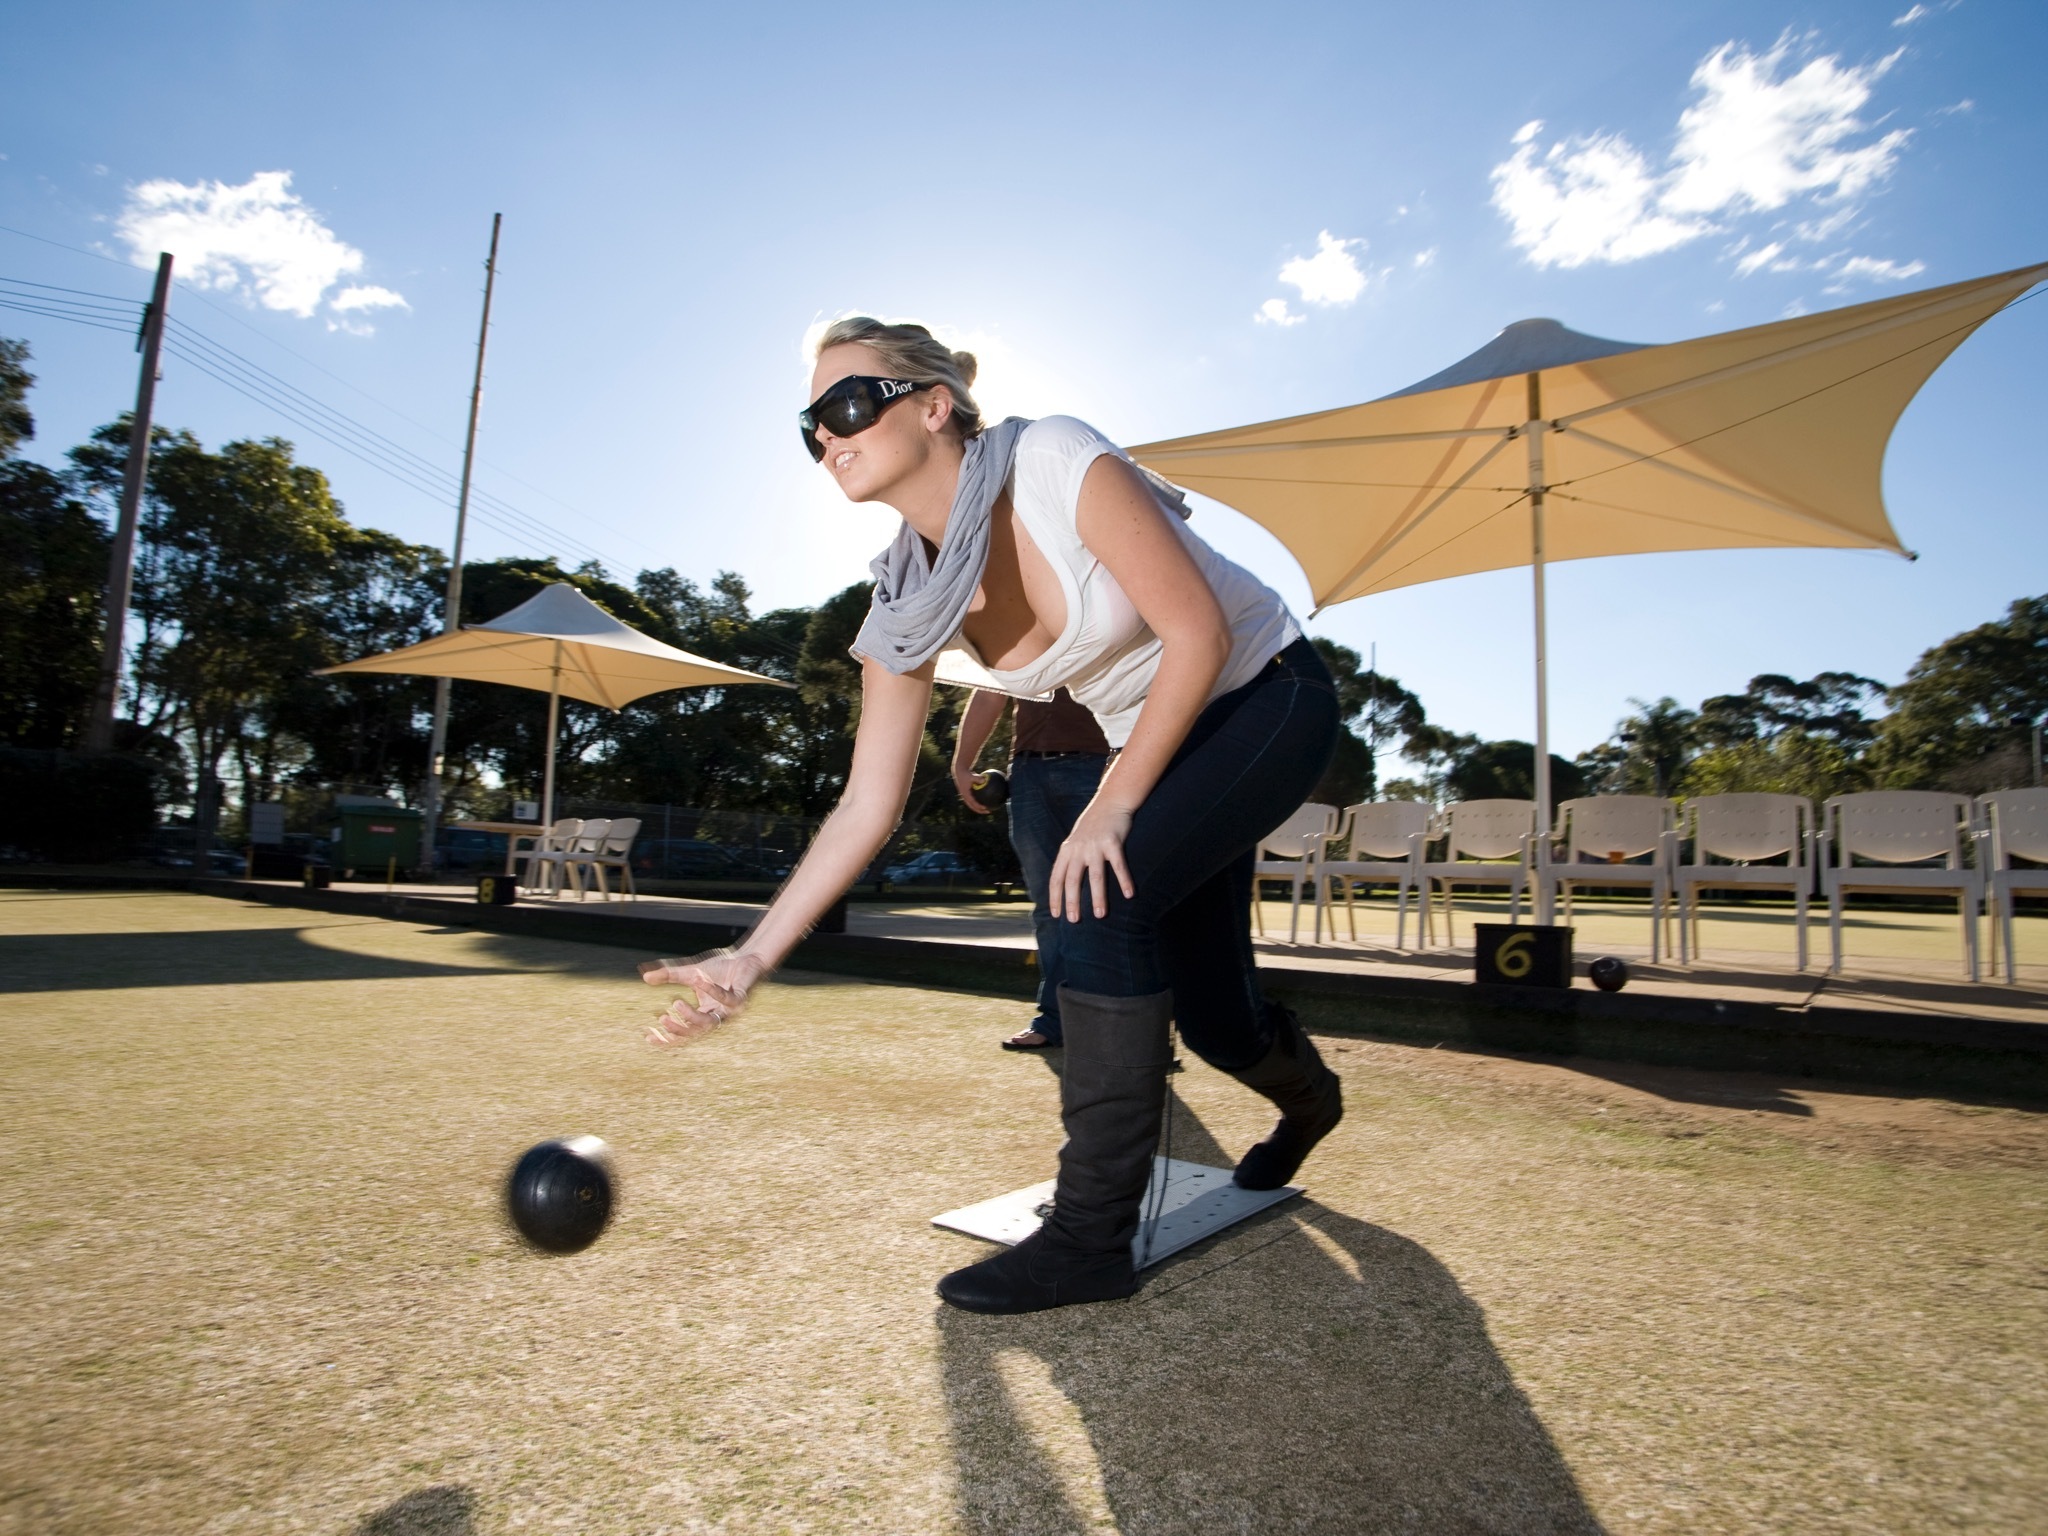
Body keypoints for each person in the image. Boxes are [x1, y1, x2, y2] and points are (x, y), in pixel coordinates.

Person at [643, 317, 1342, 1315]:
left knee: (1093, 901)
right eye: (810, 425)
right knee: (1216, 1017)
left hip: (1263, 694)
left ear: (932, 407)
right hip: (1159, 745)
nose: (827, 435)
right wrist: (748, 958)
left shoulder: (1052, 458)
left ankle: (1089, 1239)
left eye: (847, 404)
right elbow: (865, 805)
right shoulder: (902, 601)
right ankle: (1310, 1099)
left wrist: (1109, 804)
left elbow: (1192, 632)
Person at [951, 687, 1110, 1051]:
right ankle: (1058, 1022)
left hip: (1099, 767)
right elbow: (990, 692)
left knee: (1098, 902)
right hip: (1027, 773)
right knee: (1048, 907)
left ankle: (1125, 1025)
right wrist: (961, 763)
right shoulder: (1016, 635)